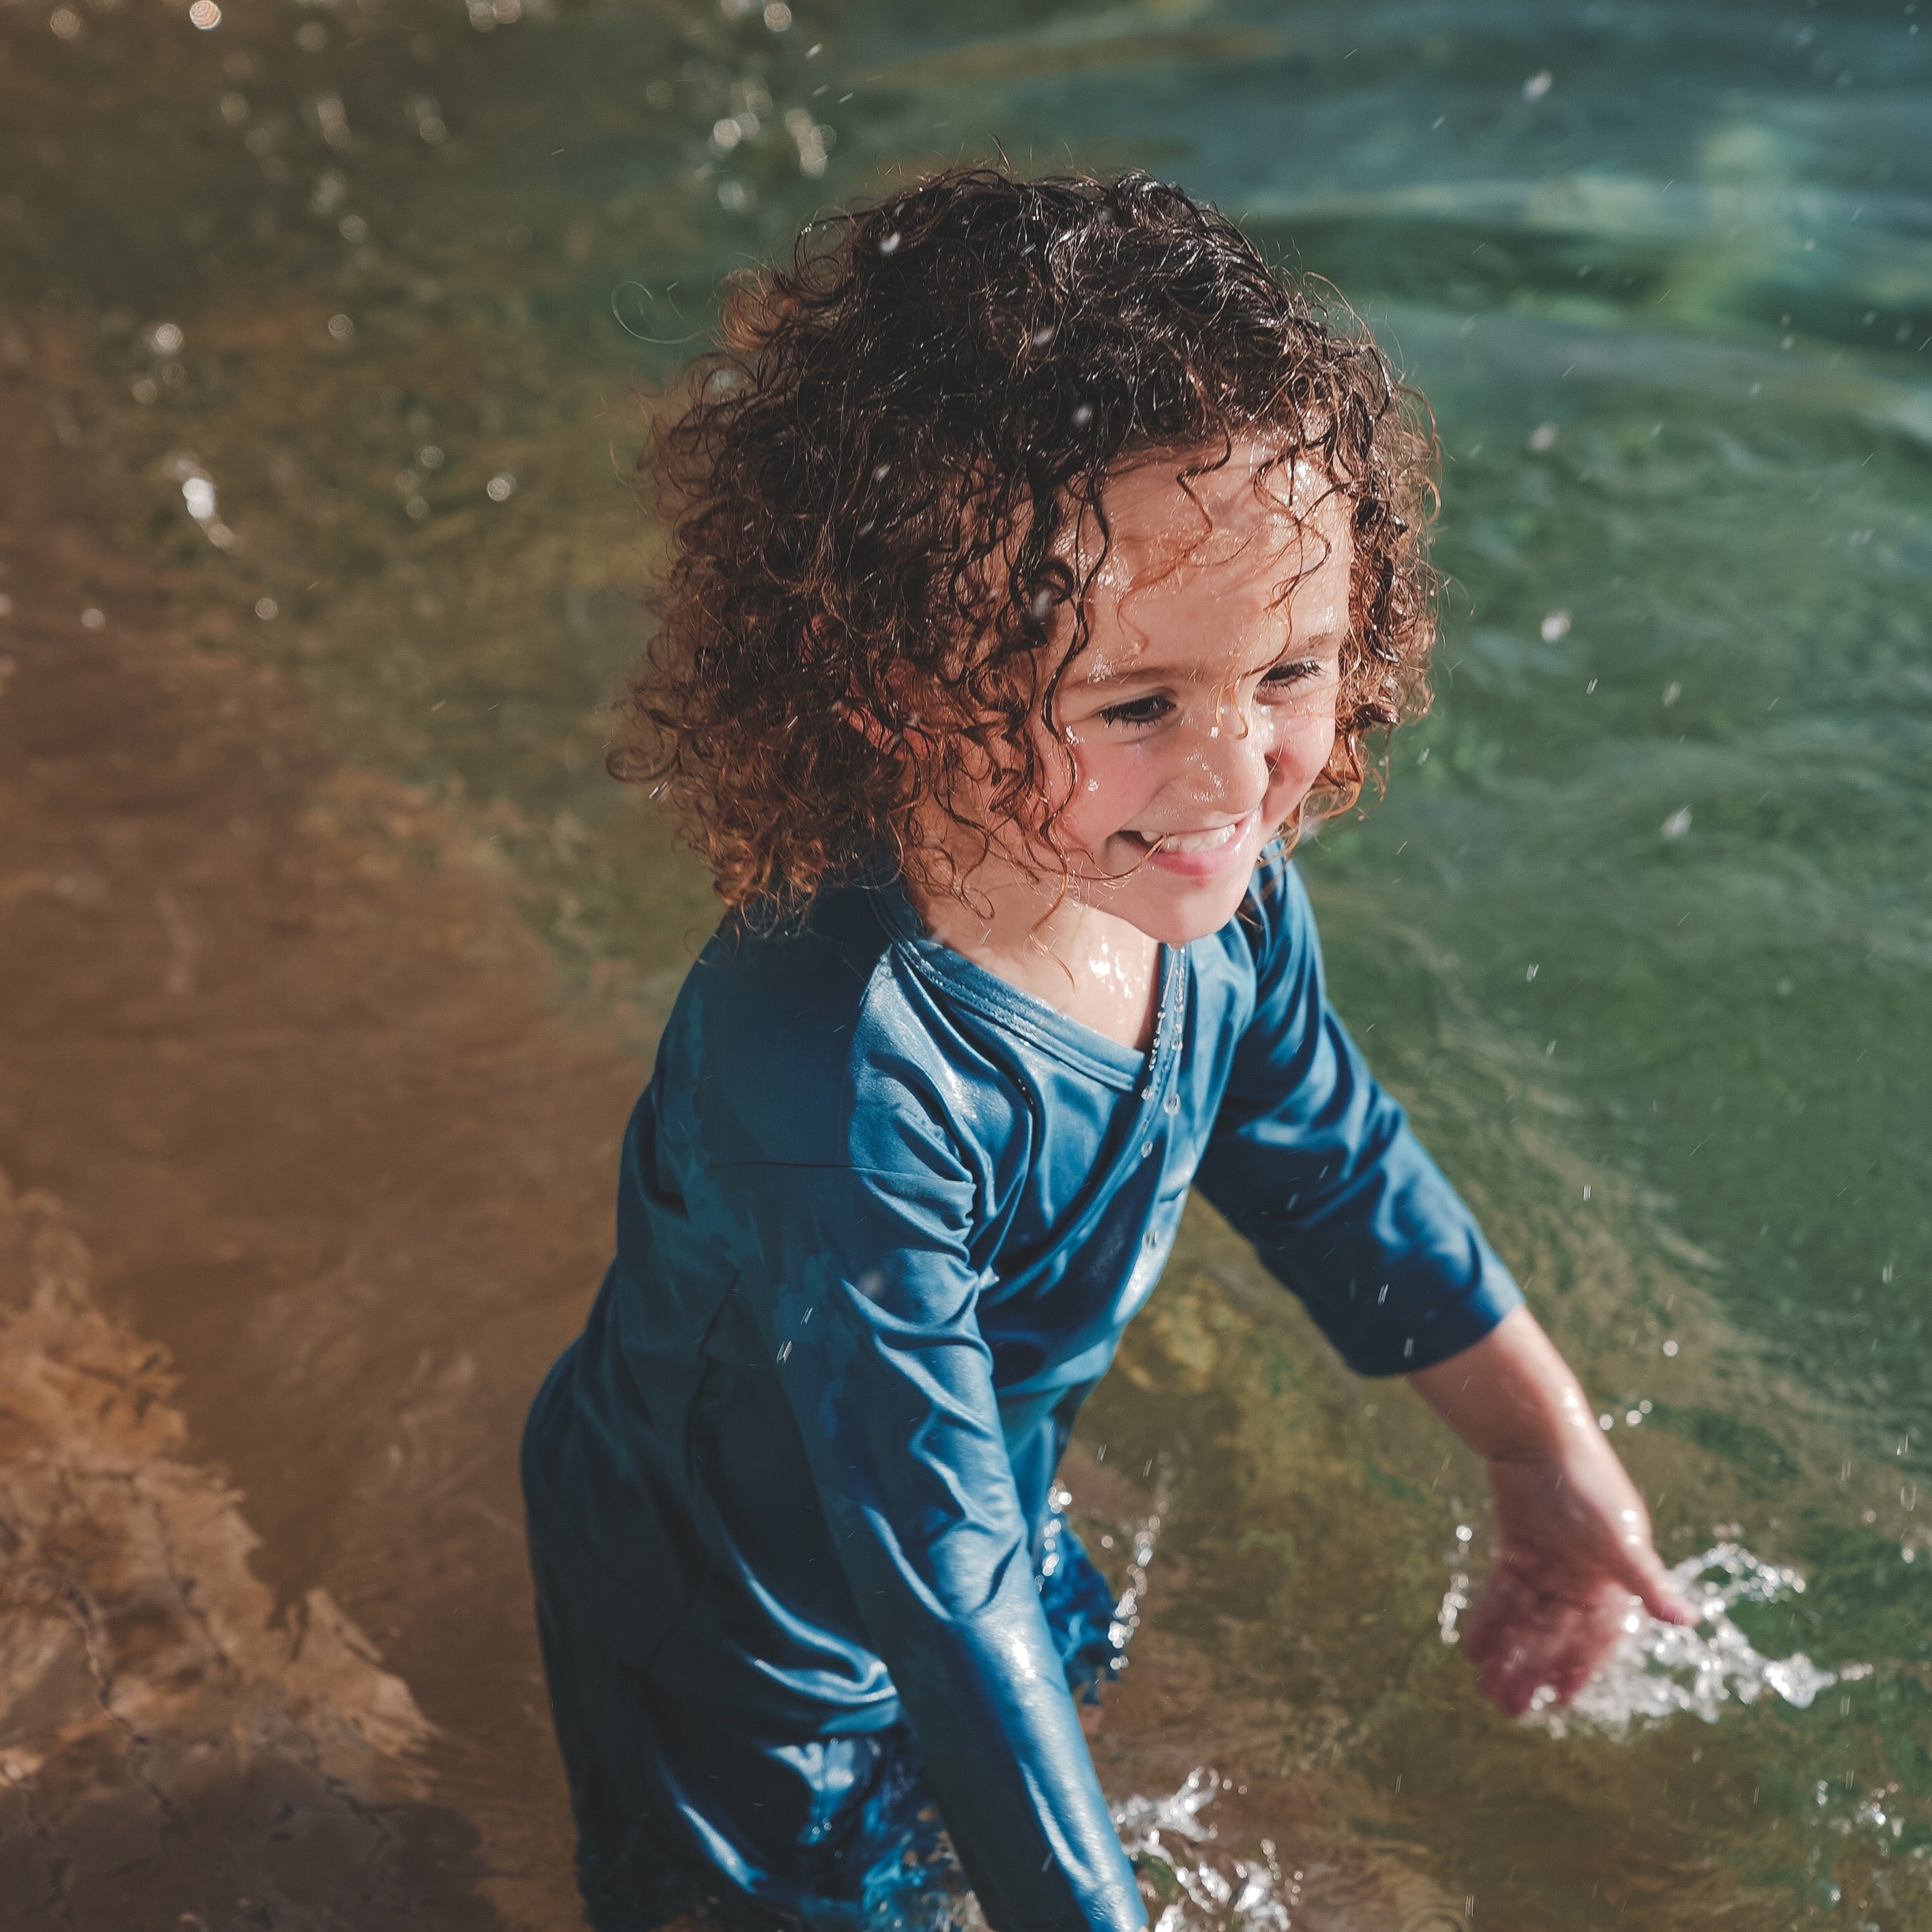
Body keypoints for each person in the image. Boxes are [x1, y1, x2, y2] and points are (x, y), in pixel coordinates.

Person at [520, 168, 1693, 1932]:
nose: (1238, 781)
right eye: (1139, 706)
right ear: (897, 686)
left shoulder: (1196, 896)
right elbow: (931, 1579)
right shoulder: (842, 1077)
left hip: (963, 1490)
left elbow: (1331, 1162)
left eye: (1291, 670)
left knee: (1061, 1706)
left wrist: (1535, 1443)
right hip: (736, 1626)